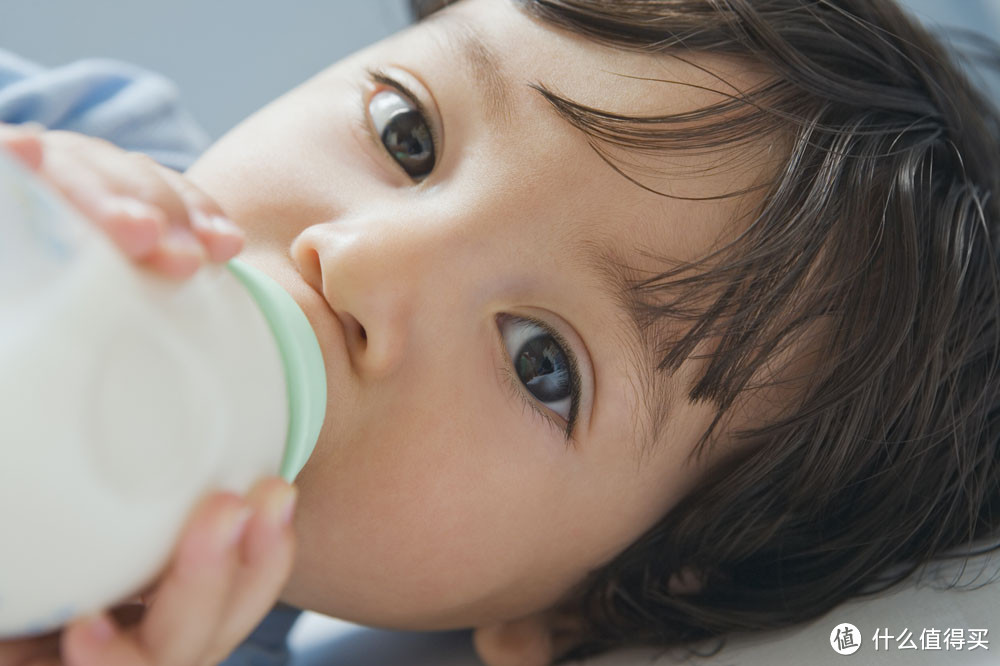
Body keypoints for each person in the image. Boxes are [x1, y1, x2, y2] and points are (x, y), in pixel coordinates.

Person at [1, 0, 998, 664]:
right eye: (408, 137)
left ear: (578, 614)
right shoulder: (61, 137)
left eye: (542, 364)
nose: (361, 263)